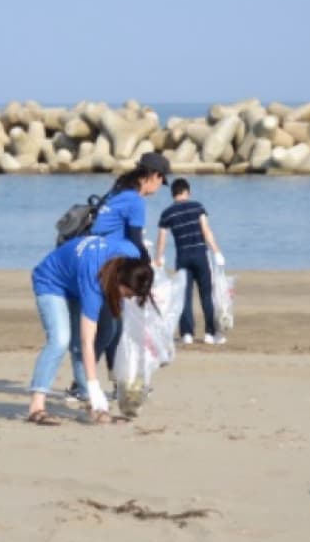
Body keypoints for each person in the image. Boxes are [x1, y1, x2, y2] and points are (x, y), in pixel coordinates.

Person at [65, 151, 170, 401]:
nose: (159, 186)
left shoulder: (117, 192)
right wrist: (148, 269)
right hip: (106, 269)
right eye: (160, 180)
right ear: (153, 176)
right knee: (108, 329)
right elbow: (135, 241)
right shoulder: (134, 201)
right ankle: (81, 384)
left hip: (96, 262)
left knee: (116, 328)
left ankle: (117, 382)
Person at [26, 235, 154, 425]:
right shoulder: (93, 282)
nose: (128, 299)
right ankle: (37, 406)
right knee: (61, 339)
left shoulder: (132, 256)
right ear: (118, 281)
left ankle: (87, 397)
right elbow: (87, 341)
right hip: (52, 282)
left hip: (76, 281)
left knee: (109, 331)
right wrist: (96, 388)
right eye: (127, 294)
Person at [155, 177, 227, 345]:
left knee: (184, 296)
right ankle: (211, 333)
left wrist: (159, 257)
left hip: (182, 257)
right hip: (200, 255)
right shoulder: (197, 207)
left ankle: (187, 333)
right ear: (187, 192)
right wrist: (217, 252)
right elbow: (206, 230)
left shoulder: (167, 213)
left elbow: (162, 239)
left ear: (173, 194)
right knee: (206, 295)